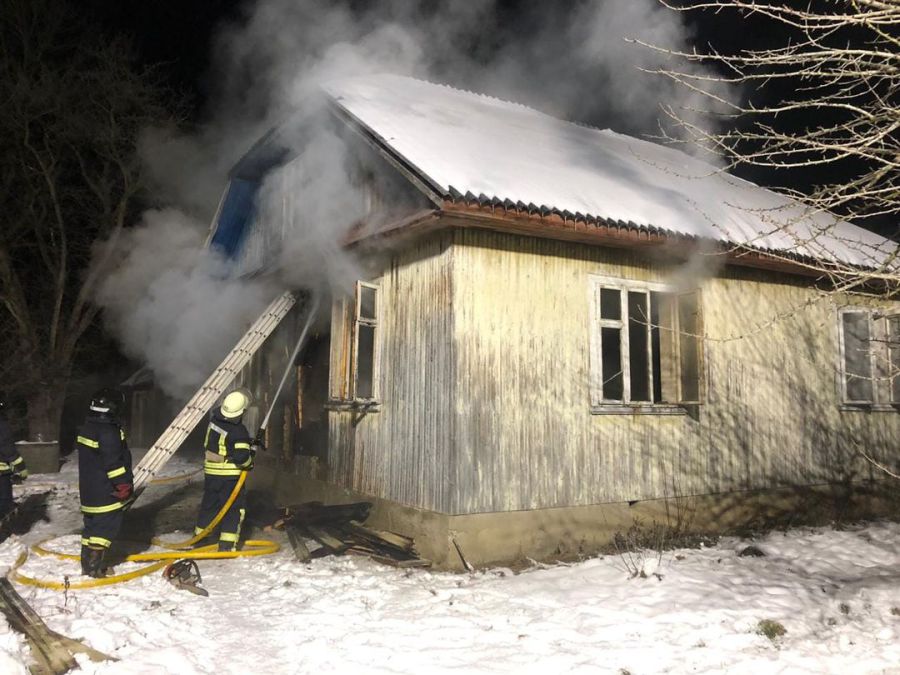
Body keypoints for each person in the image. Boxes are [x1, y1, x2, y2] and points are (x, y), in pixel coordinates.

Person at [76, 388, 132, 577]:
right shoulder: (108, 432)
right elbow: (113, 463)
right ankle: (94, 568)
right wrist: (123, 485)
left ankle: (87, 565)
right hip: (106, 493)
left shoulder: (88, 427)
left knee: (91, 529)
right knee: (104, 530)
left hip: (89, 491)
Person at [194, 390, 258, 552]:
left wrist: (245, 443)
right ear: (242, 411)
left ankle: (200, 539)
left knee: (210, 506)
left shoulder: (214, 421)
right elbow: (242, 458)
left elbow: (224, 442)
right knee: (233, 509)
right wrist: (249, 462)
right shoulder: (239, 431)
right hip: (229, 477)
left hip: (211, 473)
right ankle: (227, 545)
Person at [0, 392, 28, 520]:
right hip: (1, 473)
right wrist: (21, 468)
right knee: (4, 503)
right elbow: (7, 448)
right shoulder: (2, 424)